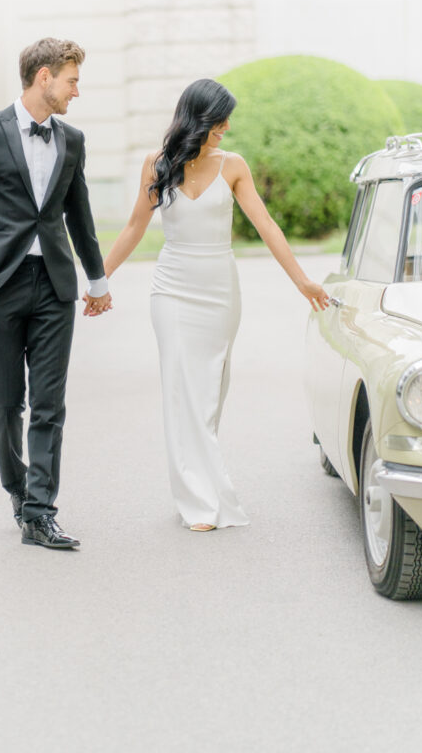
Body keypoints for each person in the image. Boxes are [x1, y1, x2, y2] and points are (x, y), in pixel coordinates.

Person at [101, 79, 329, 531]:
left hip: (219, 292)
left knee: (207, 394)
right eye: (219, 118)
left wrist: (302, 282)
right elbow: (132, 228)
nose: (226, 126)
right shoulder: (157, 164)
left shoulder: (234, 166)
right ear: (198, 118)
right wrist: (96, 281)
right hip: (171, 290)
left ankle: (201, 481)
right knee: (179, 392)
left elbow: (266, 226)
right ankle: (199, 500)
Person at [0, 38, 112, 551]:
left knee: (49, 405)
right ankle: (17, 491)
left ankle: (40, 512)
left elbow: (79, 214)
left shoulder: (73, 139)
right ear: (43, 78)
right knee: (7, 401)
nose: (77, 92)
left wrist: (97, 280)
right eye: (72, 81)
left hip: (55, 286)